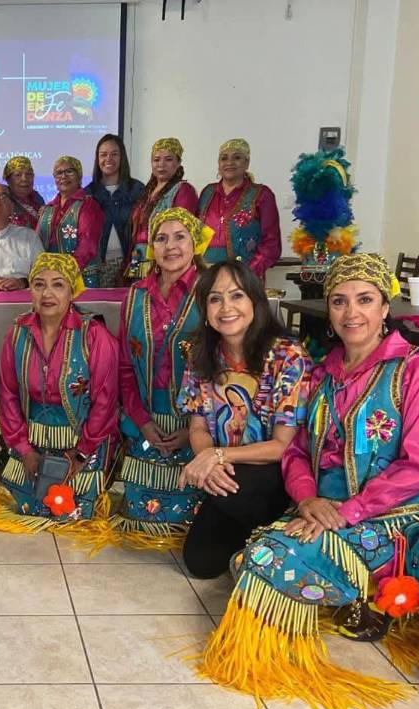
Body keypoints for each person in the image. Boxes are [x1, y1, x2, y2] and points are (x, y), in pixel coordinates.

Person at [199, 253, 419, 709]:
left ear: (385, 306)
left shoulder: (418, 372)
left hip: (390, 521)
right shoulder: (322, 374)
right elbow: (295, 451)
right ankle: (351, 595)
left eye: (365, 300)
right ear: (329, 311)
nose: (351, 313)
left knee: (262, 560)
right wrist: (309, 498)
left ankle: (371, 593)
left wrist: (348, 511)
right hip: (321, 508)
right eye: (339, 301)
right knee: (244, 559)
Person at [176, 260, 311, 578]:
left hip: (273, 475)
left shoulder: (287, 355)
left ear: (255, 301)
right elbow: (197, 425)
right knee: (201, 564)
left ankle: (276, 536)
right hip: (229, 474)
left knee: (238, 490)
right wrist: (210, 463)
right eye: (215, 298)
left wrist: (217, 455)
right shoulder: (201, 355)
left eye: (236, 296)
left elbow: (281, 446)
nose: (226, 307)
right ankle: (256, 541)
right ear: (205, 310)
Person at [0, 252, 119, 527]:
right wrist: (24, 449)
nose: (47, 293)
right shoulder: (17, 333)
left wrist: (82, 453)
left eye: (58, 285)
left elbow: (105, 401)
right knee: (28, 514)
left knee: (71, 519)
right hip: (32, 447)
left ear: (72, 291)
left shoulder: (93, 335)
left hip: (83, 448)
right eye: (39, 284)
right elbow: (8, 394)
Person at [113, 208, 211, 545]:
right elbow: (125, 366)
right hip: (146, 421)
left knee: (188, 525)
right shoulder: (135, 295)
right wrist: (140, 421)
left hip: (197, 427)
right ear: (151, 246)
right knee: (137, 520)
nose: (170, 246)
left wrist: (194, 430)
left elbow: (225, 369)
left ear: (195, 242)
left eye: (180, 237)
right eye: (161, 238)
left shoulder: (211, 293)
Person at [198, 138, 282, 279]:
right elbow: (194, 234)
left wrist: (248, 273)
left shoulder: (261, 194)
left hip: (244, 275)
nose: (229, 163)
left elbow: (272, 243)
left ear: (247, 163)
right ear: (218, 164)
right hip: (205, 275)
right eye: (224, 158)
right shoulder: (207, 192)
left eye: (236, 157)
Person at [125, 138, 199, 280]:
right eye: (156, 159)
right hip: (138, 258)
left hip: (164, 258)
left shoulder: (183, 190)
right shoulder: (147, 192)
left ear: (178, 163)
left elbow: (180, 231)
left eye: (168, 159)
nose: (161, 165)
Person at [37, 156, 107, 286]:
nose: (63, 176)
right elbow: (37, 244)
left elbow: (88, 245)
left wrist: (66, 272)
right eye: (59, 173)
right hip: (50, 279)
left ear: (79, 176)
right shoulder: (48, 208)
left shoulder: (88, 205)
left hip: (81, 279)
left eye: (69, 171)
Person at [86, 135, 145, 283]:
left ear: (122, 157)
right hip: (98, 268)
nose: (108, 159)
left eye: (114, 154)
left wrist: (135, 268)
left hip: (131, 264)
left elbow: (143, 234)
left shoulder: (137, 189)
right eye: (103, 154)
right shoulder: (88, 193)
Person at [3, 155, 45, 230]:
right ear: (8, 180)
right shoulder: (3, 201)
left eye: (28, 174)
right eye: (18, 175)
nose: (24, 179)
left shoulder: (38, 199)